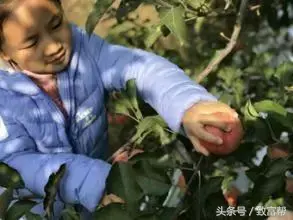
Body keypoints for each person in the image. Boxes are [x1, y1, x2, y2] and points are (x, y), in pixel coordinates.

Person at [0, 0, 239, 218]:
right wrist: (96, 180)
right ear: (4, 53)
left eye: (56, 24)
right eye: (32, 42)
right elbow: (15, 162)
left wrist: (189, 105)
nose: (54, 47)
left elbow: (139, 68)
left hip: (99, 199)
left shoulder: (84, 50)